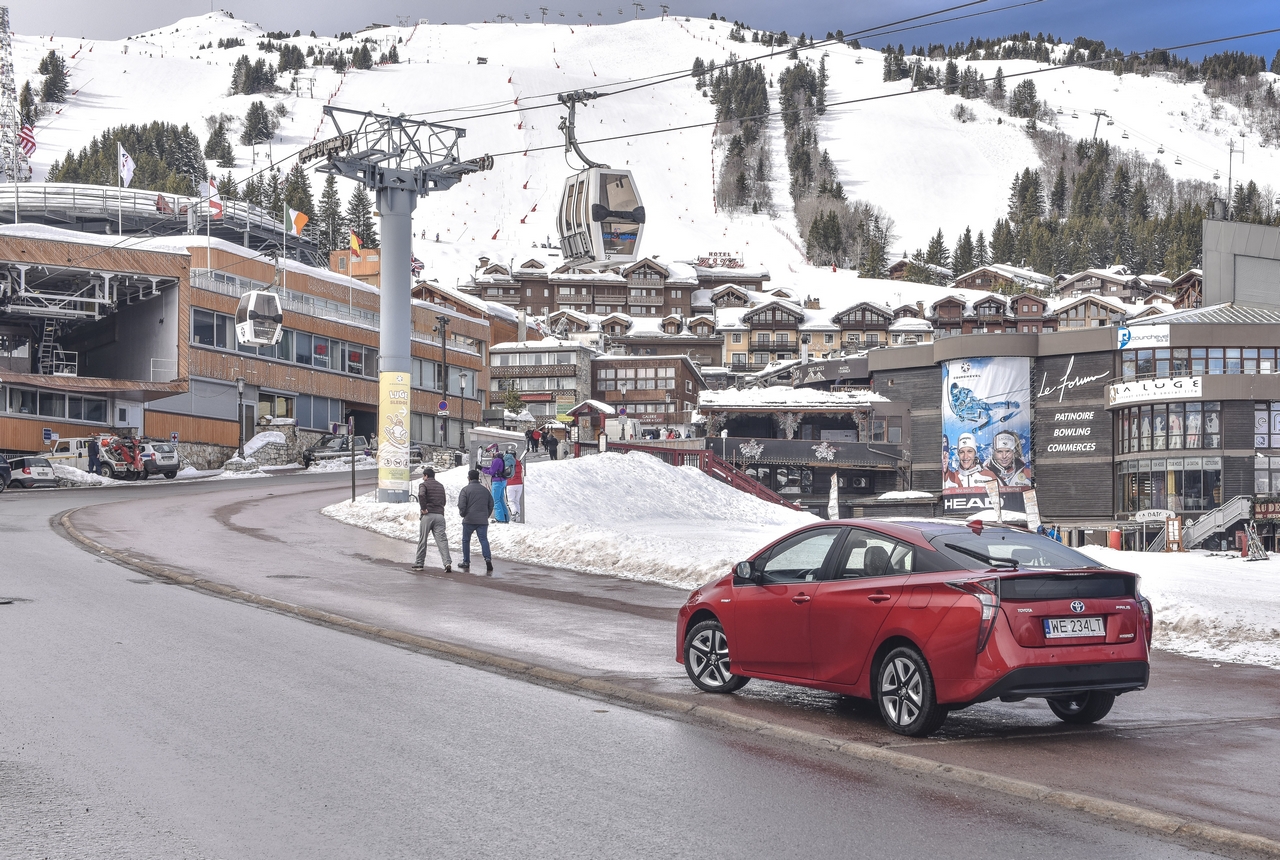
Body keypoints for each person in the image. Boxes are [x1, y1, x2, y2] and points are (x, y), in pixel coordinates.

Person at [412, 467, 452, 572]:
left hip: (428, 515)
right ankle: (447, 563)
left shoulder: (424, 485)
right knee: (442, 540)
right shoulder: (440, 486)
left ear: (426, 476)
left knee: (423, 539)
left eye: (423, 476)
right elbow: (444, 501)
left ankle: (419, 563)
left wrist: (423, 508)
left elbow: (421, 495)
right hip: (440, 516)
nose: (423, 478)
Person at [457, 469, 494, 573]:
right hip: (482, 520)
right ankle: (488, 559)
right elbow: (491, 504)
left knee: (466, 540)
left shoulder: (465, 490)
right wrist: (486, 515)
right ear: (478, 478)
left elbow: (461, 505)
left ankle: (466, 561)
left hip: (469, 519)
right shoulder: (485, 490)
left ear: (469, 478)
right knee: (483, 540)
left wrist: (463, 514)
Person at [484, 446, 509, 523]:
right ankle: (505, 517)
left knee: (495, 501)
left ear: (493, 452)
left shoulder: (496, 460)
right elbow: (493, 469)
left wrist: (482, 469)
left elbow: (491, 472)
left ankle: (500, 519)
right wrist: (483, 467)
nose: (490, 454)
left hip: (497, 482)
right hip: (502, 481)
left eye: (490, 452)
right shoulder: (501, 459)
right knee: (501, 499)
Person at [506, 454, 524, 522]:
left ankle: (514, 513)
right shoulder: (519, 463)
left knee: (511, 501)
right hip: (519, 484)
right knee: (516, 501)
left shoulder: (508, 463)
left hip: (511, 483)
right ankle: (518, 518)